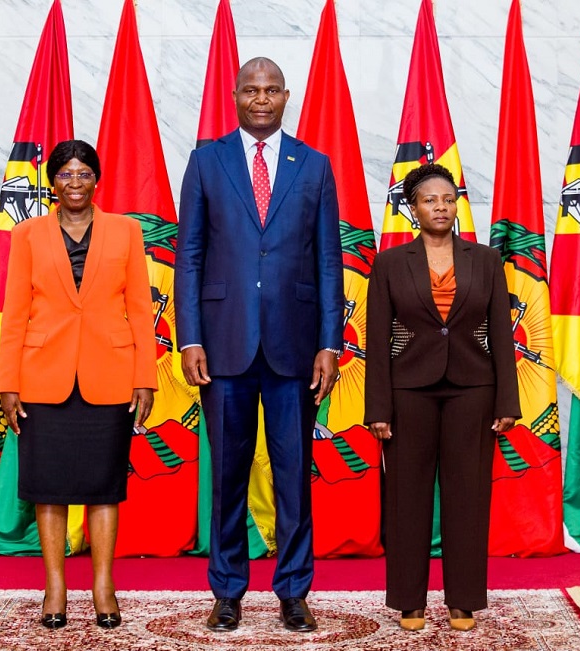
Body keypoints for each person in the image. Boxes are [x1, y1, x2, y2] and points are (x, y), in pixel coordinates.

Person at [175, 57, 344, 633]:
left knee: (294, 474)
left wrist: (329, 344)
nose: (262, 99)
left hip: (295, 345)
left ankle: (294, 591)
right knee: (227, 472)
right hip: (223, 343)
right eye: (252, 90)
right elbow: (189, 256)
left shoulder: (314, 166)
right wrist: (190, 337)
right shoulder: (206, 162)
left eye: (272, 90)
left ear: (286, 96)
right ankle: (227, 591)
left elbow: (328, 261)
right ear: (235, 96)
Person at [0, 139, 157, 630]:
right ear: (52, 182)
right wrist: (8, 382)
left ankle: (104, 587)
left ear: (96, 179)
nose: (74, 183)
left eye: (83, 174)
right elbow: (14, 313)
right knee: (49, 489)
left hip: (109, 376)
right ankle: (55, 588)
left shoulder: (126, 231)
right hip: (42, 378)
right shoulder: (27, 235)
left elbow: (139, 309)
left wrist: (145, 378)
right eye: (65, 174)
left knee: (103, 488)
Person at [364, 163, 520, 632]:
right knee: (407, 497)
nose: (441, 207)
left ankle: (463, 601)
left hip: (473, 389)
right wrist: (378, 408)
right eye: (430, 200)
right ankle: (409, 602)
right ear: (413, 209)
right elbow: (377, 340)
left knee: (467, 496)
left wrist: (506, 402)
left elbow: (501, 334)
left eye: (449, 200)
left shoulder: (486, 260)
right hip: (408, 391)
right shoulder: (390, 263)